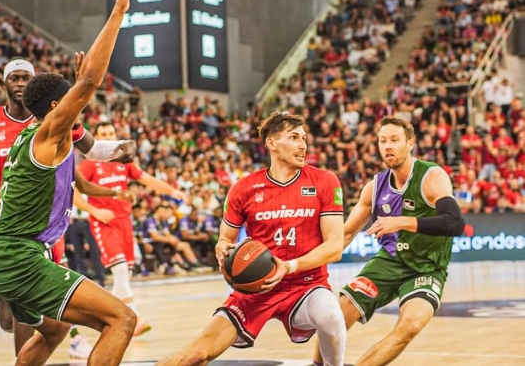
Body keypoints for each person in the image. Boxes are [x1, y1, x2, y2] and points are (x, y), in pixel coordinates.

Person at [0, 0, 136, 366]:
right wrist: (118, 11)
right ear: (54, 107)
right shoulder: (49, 133)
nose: (77, 107)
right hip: (18, 257)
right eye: (69, 102)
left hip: (0, 256)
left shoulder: (38, 138)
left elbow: (88, 149)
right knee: (122, 319)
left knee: (56, 330)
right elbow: (90, 84)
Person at [156, 112, 347, 366]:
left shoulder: (324, 181)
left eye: (304, 138)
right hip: (254, 288)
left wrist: (289, 266)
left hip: (306, 284)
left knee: (331, 316)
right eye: (294, 137)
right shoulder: (243, 188)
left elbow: (335, 247)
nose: (303, 145)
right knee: (197, 353)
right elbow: (225, 238)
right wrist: (224, 250)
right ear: (271, 143)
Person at [312, 116, 465, 366]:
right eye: (383, 141)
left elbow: (455, 223)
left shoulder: (431, 176)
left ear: (410, 143)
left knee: (410, 326)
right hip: (389, 261)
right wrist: (307, 265)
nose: (388, 146)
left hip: (427, 269)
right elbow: (346, 234)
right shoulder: (374, 187)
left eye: (394, 140)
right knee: (335, 314)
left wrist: (402, 221)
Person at [74, 121, 190, 337]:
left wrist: (173, 192)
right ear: (96, 138)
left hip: (125, 221)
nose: (108, 137)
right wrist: (94, 210)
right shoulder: (90, 164)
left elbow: (148, 179)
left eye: (111, 133)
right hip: (104, 222)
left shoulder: (123, 161)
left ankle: (108, 320)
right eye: (103, 134)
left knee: (124, 275)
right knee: (118, 270)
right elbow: (73, 191)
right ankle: (133, 318)